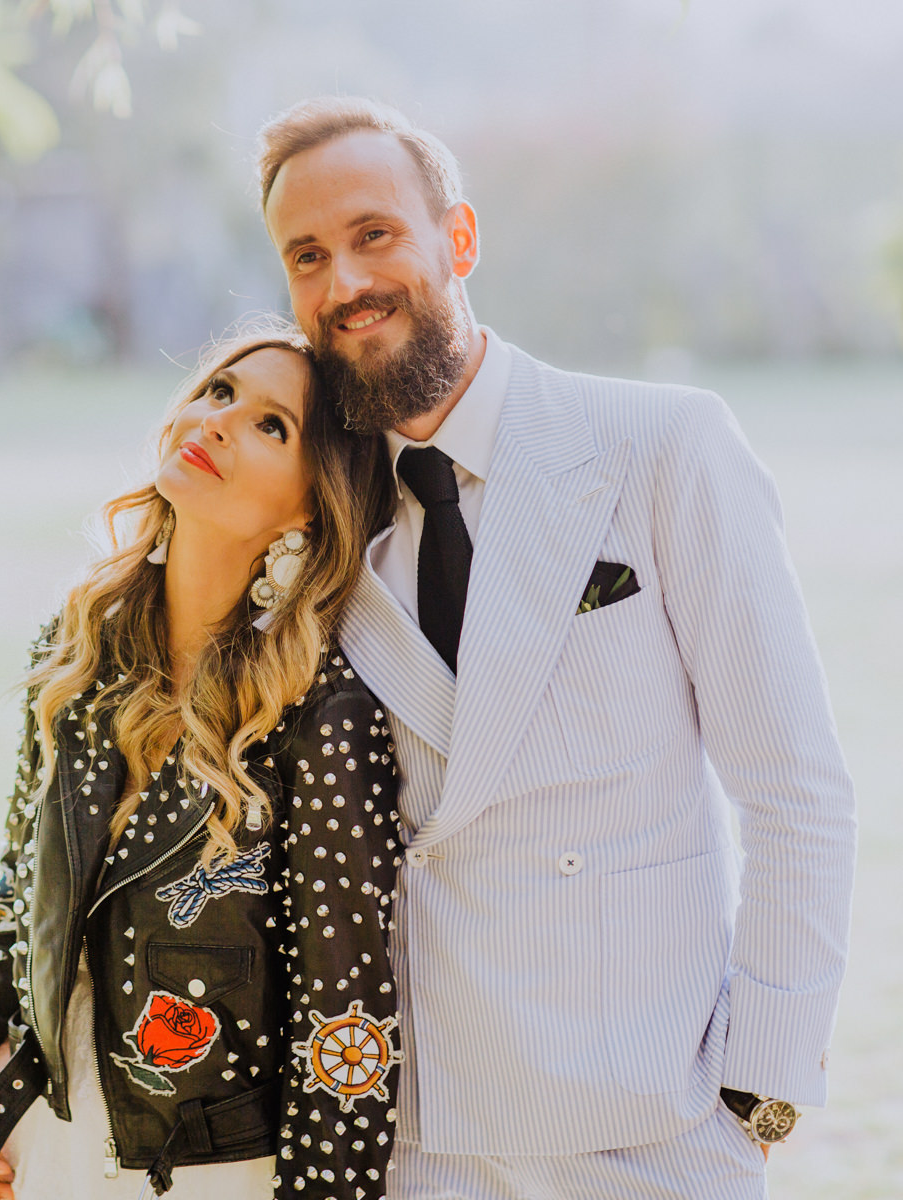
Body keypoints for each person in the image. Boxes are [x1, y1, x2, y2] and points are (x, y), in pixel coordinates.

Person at [252, 97, 857, 1198]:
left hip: (645, 1131)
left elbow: (795, 786)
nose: (344, 284)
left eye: (374, 234)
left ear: (460, 239)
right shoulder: (318, 522)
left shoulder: (660, 446)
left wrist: (762, 1090)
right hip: (415, 1140)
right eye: (308, 256)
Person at [0, 323, 404, 1200]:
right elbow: (17, 888)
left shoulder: (321, 716)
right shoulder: (77, 655)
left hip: (223, 1174)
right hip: (51, 1141)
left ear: (309, 505)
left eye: (270, 425)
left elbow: (347, 1034)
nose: (217, 421)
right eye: (217, 393)